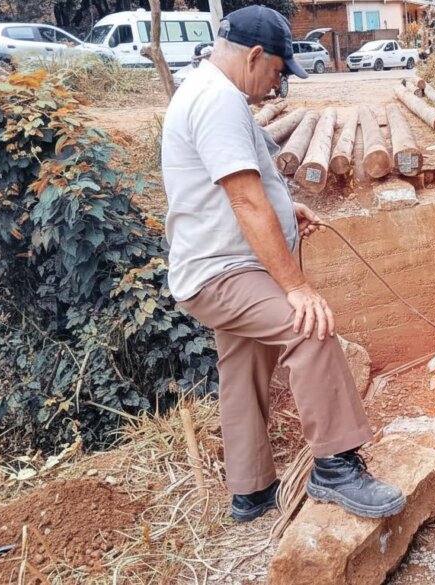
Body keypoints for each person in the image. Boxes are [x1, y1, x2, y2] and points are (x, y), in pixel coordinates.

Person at [161, 6, 405, 522]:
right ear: (254, 55)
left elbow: (233, 188)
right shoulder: (217, 100)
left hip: (217, 262)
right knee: (309, 328)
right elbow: (245, 201)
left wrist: (284, 209)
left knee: (242, 367)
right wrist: (296, 287)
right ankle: (335, 467)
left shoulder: (207, 90)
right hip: (223, 269)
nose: (277, 83)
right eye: (276, 70)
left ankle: (250, 490)